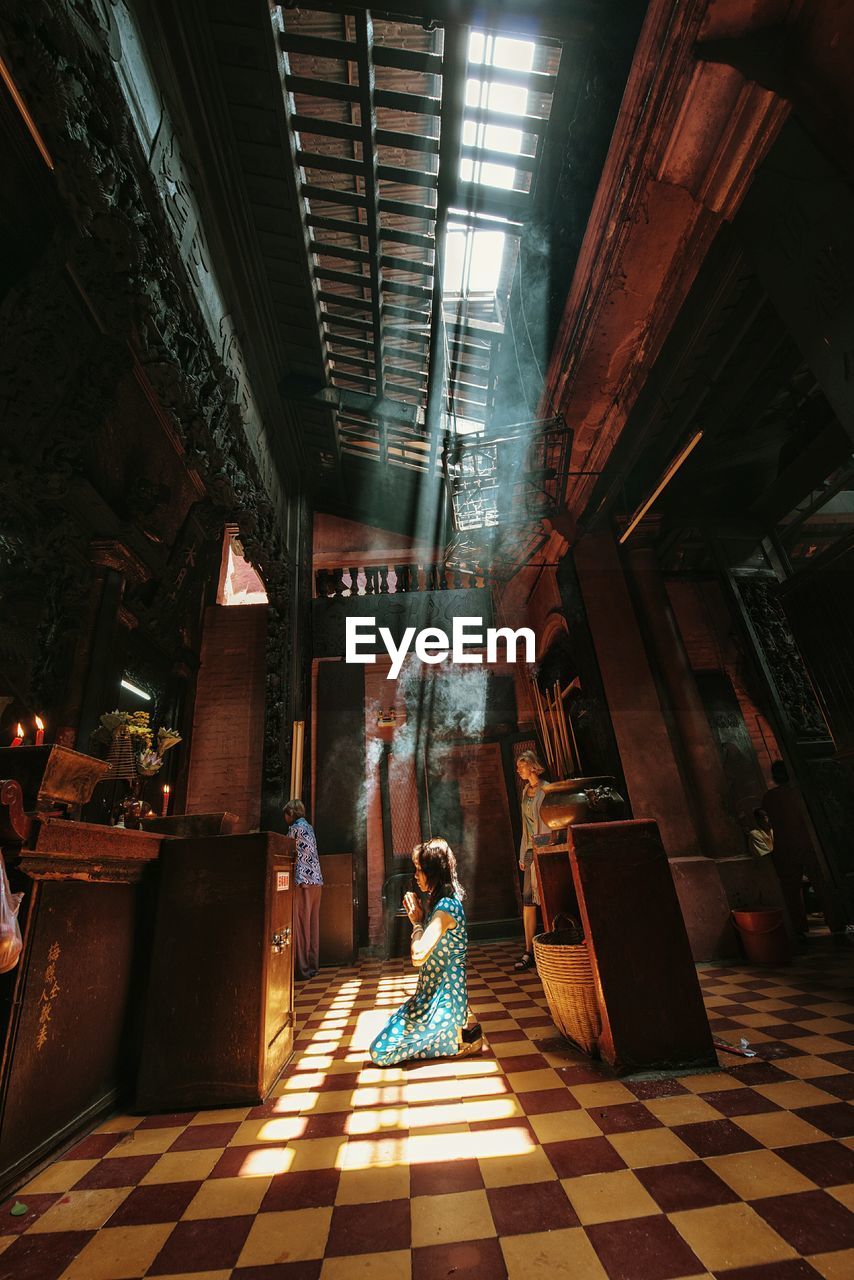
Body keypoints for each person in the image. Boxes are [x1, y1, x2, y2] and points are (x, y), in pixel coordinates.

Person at [369, 837, 481, 1066]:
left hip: (443, 1003)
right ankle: (456, 1035)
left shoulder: (447, 908)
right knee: (393, 1023)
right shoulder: (440, 902)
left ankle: (456, 1041)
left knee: (380, 1053)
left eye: (420, 870)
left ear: (434, 872)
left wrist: (417, 923)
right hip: (428, 999)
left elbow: (418, 956)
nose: (416, 875)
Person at [761, 760, 843, 936]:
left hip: (785, 846)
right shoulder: (801, 793)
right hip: (809, 843)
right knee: (823, 885)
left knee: (791, 890)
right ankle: (836, 923)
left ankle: (799, 928)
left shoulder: (770, 797)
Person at [514, 749, 548, 972]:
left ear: (531, 766)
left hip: (544, 847)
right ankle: (529, 951)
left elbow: (548, 821)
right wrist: (522, 854)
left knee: (545, 895)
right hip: (529, 849)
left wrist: (542, 848)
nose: (518, 770)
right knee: (528, 900)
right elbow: (525, 827)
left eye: (521, 766)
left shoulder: (546, 789)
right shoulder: (526, 791)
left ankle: (550, 947)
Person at [284, 799, 323, 979]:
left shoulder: (294, 829)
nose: (285, 817)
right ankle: (313, 966)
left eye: (286, 814)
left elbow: (286, 851)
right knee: (313, 924)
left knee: (302, 925)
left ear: (291, 814)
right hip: (316, 880)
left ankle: (303, 970)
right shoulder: (309, 827)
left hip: (303, 882)